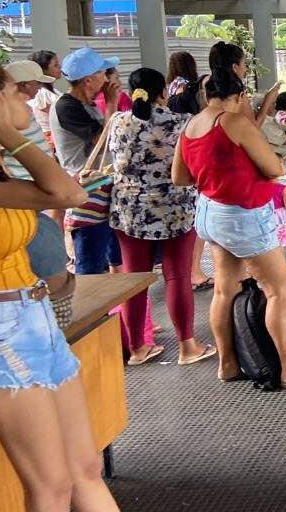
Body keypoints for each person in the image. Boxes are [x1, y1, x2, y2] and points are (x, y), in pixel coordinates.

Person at [0, 60, 120, 512]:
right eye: (14, 91)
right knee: (51, 486)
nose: (26, 99)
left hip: (32, 316)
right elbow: (69, 197)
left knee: (84, 469)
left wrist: (3, 138)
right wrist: (9, 133)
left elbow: (62, 191)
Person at [172, 69, 286, 388]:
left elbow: (180, 177)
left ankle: (227, 364)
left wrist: (215, 174)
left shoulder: (191, 124)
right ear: (240, 96)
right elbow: (273, 166)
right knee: (279, 290)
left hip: (210, 212)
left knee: (224, 289)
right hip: (242, 216)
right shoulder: (234, 122)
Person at [109, 68, 214, 366]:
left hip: (128, 210)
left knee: (134, 279)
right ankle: (187, 346)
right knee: (177, 276)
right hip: (175, 208)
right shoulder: (182, 123)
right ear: (163, 93)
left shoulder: (118, 121)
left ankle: (138, 348)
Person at [50, 48, 124, 277]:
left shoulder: (86, 104)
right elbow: (103, 140)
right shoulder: (67, 107)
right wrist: (112, 104)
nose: (108, 77)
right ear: (89, 80)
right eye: (103, 72)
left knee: (115, 255)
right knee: (91, 260)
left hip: (102, 186)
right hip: (87, 190)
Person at [0, 61, 57, 180]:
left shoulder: (26, 109)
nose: (40, 87)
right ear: (24, 85)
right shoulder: (5, 115)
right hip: (25, 180)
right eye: (38, 83)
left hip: (44, 178)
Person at [208, 41, 279, 126]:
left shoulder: (209, 88)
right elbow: (253, 127)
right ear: (234, 67)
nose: (246, 69)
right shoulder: (235, 93)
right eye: (244, 64)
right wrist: (268, 100)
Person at [27, 50, 61, 151]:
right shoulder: (42, 93)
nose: (60, 67)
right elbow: (59, 116)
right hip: (52, 141)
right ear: (43, 70)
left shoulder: (50, 91)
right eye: (55, 65)